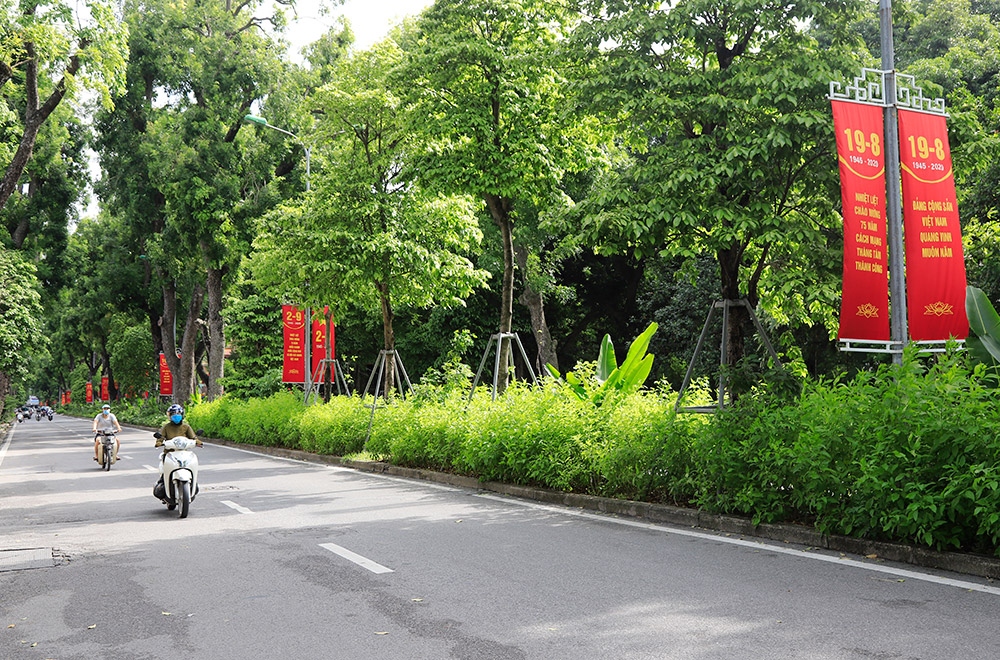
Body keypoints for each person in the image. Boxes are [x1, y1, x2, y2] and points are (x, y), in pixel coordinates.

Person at [154, 404, 202, 498]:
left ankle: (192, 482)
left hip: (183, 453)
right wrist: (159, 442)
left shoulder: (186, 427)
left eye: (178, 413)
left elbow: (193, 437)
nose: (176, 416)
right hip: (169, 453)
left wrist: (198, 442)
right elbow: (161, 437)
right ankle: (163, 481)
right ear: (169, 416)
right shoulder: (166, 427)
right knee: (164, 469)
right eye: (173, 414)